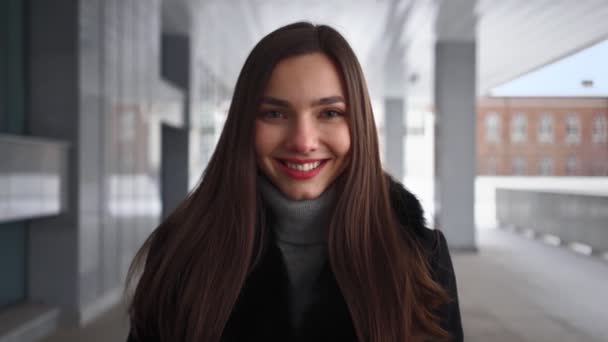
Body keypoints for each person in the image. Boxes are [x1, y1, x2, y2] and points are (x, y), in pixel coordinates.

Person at [126, 22, 463, 342]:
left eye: (329, 113)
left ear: (358, 125)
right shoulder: (180, 251)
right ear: (244, 125)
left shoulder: (423, 257)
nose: (303, 142)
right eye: (274, 113)